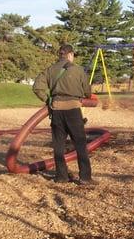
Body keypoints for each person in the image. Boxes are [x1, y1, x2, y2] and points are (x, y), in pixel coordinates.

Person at [32, 44, 96, 185]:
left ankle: (61, 177)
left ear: (60, 55)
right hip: (73, 110)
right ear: (70, 54)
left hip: (56, 111)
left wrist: (48, 99)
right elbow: (87, 92)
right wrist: (88, 95)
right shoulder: (78, 70)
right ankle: (85, 177)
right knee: (80, 144)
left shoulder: (50, 70)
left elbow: (37, 87)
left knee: (58, 145)